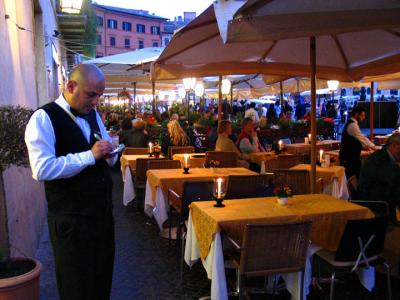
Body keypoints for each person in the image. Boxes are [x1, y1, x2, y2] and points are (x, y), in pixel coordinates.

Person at [25, 64, 117, 300]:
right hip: (71, 223)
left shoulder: (93, 114)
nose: (96, 101)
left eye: (100, 95)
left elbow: (103, 150)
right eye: (91, 94)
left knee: (101, 283)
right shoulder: (43, 118)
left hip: (102, 218)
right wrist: (90, 155)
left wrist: (111, 152)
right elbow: (42, 169)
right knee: (76, 289)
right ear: (70, 86)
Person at [358, 133, 400, 276]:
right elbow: (391, 184)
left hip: (381, 198)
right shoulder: (378, 161)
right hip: (374, 203)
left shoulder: (385, 158)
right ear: (394, 146)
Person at [339, 105, 379, 178]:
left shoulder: (353, 124)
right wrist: (375, 147)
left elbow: (356, 140)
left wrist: (364, 147)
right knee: (353, 179)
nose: (364, 118)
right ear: (356, 114)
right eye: (362, 115)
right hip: (349, 160)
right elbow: (362, 138)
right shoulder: (352, 125)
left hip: (351, 158)